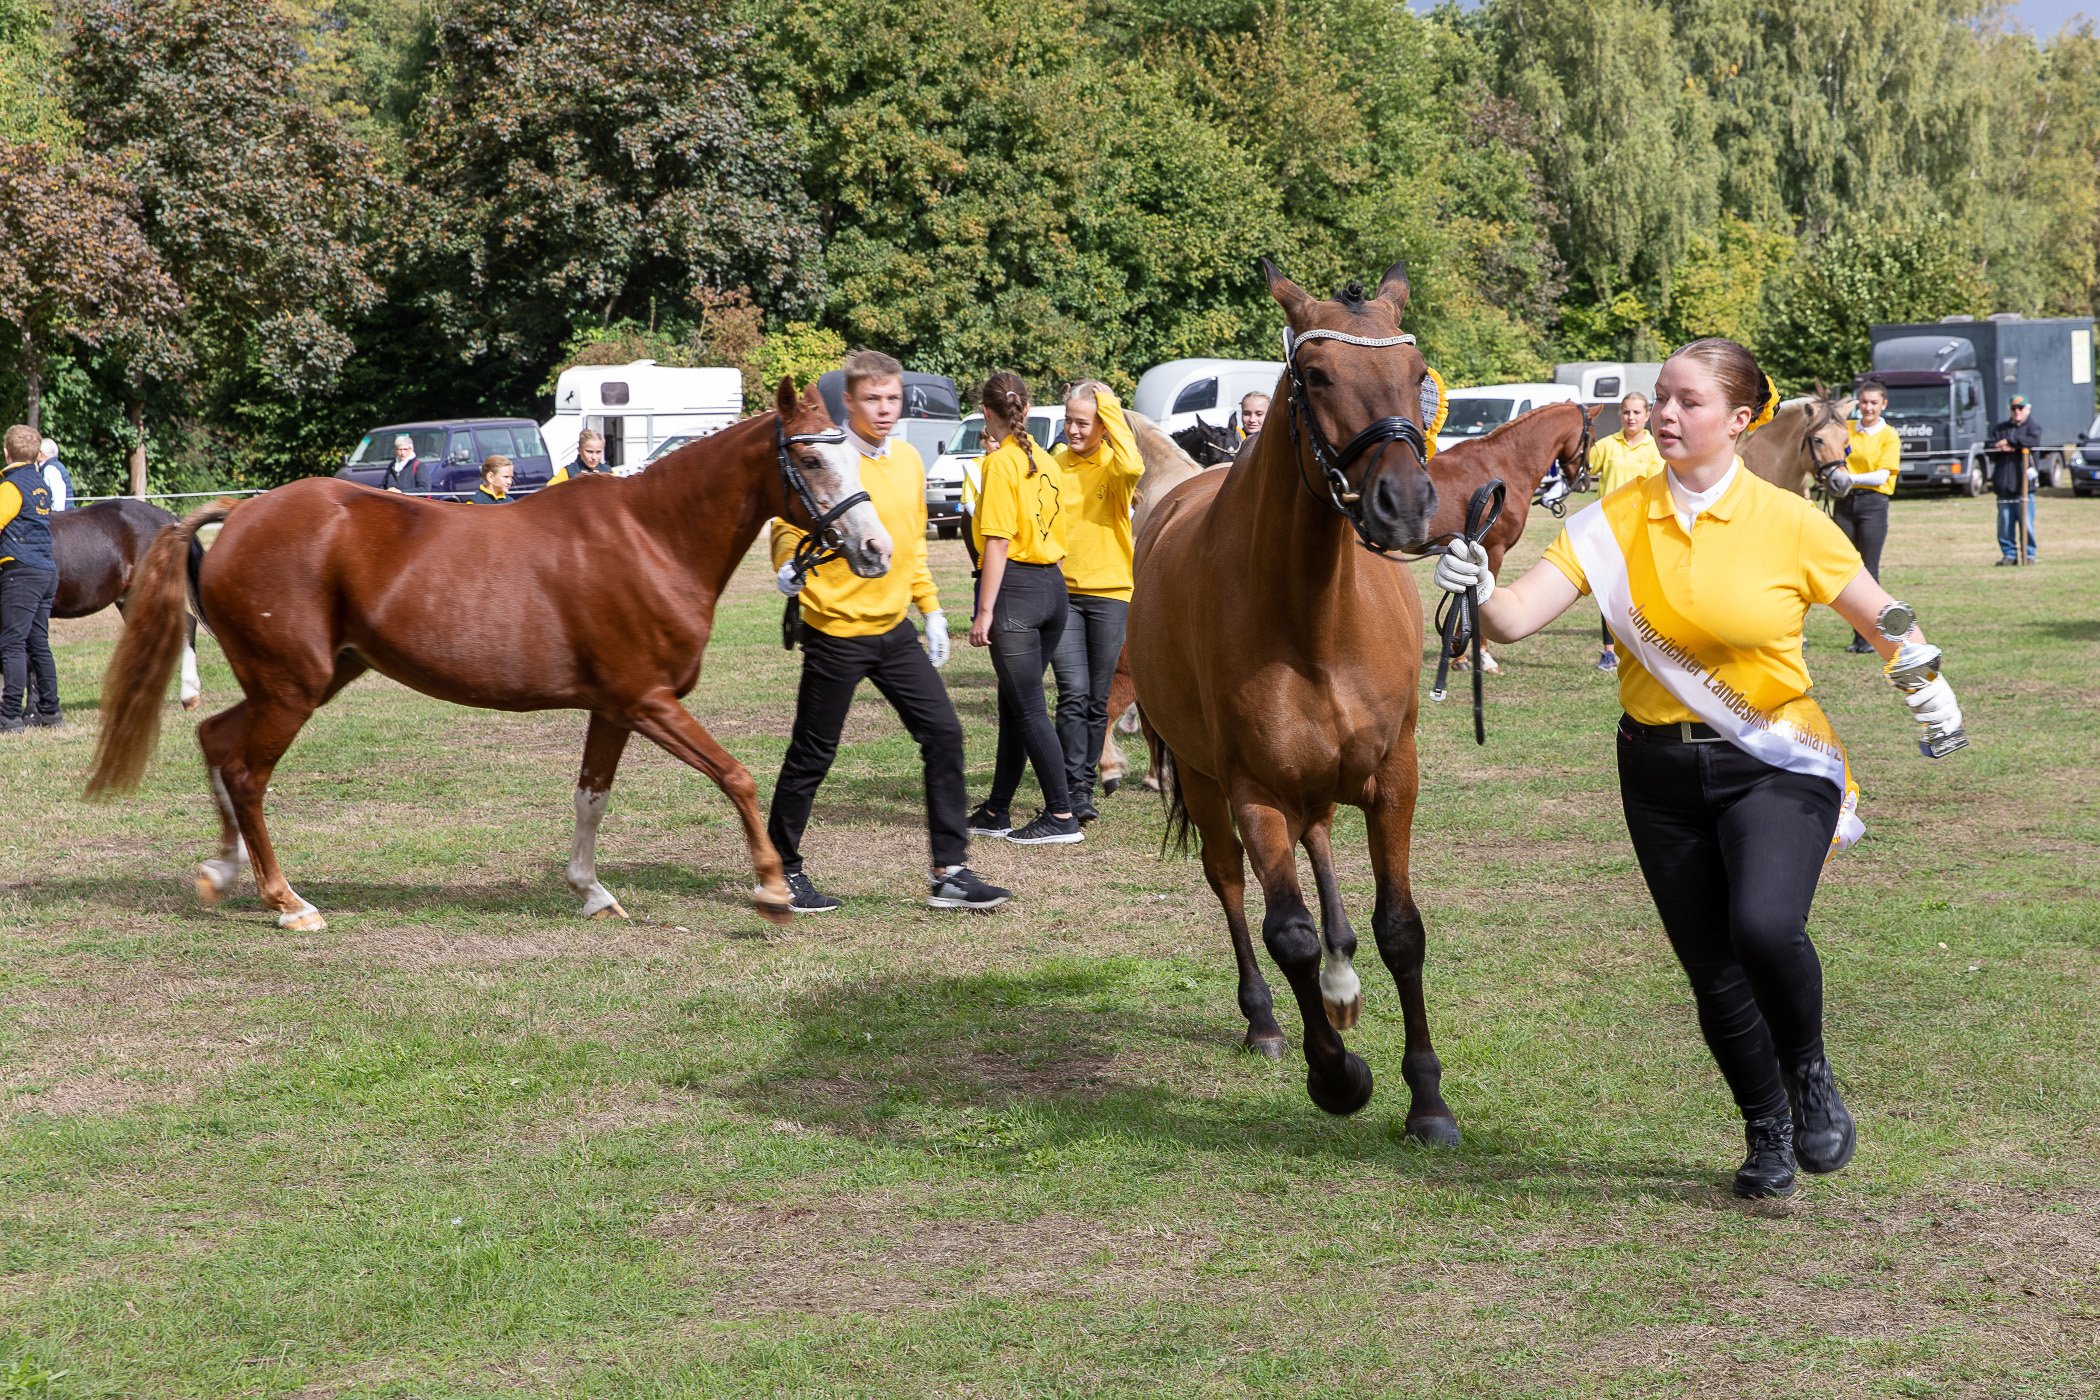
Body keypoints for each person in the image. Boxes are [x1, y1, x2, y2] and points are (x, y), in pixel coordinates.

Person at [1433, 337, 1964, 1200]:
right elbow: (1516, 620)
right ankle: (1767, 1129)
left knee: (1762, 928)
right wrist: (1474, 588)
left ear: (1740, 419)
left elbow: (1881, 613)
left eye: (1689, 402)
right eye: (1660, 398)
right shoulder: (1610, 519)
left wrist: (1925, 678)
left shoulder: (1791, 522)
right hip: (1657, 774)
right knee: (1710, 966)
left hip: (1774, 762)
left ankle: (1811, 1075)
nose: (1667, 415)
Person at [766, 349, 1008, 914]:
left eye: (892, 398)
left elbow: (914, 545)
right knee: (813, 753)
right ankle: (782, 867)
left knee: (944, 734)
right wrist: (786, 565)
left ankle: (950, 871)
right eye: (872, 399)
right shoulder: (831, 456)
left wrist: (932, 610)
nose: (884, 409)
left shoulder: (907, 462)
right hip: (835, 630)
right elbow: (788, 520)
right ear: (847, 402)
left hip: (893, 627)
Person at [965, 372, 1083, 846]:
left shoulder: (1000, 466)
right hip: (1054, 588)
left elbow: (997, 541)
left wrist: (984, 611)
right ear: (1027, 411)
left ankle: (1061, 814)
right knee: (1015, 704)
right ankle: (997, 809)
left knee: (1029, 706)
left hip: (1016, 591)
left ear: (987, 415)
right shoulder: (1046, 462)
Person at [1048, 381, 1142, 823]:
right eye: (1068, 420)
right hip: (1063, 594)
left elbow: (1133, 462)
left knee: (1096, 698)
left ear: (1103, 427)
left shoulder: (1115, 470)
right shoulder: (1053, 465)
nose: (1072, 429)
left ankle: (1082, 789)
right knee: (1072, 693)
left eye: (1082, 423)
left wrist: (1109, 404)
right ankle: (1068, 789)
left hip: (1109, 594)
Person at [1585, 392, 1666, 672]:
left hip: (1641, 530)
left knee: (1641, 593)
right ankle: (1609, 652)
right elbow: (1585, 466)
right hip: (1607, 529)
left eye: (1636, 412)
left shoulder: (1656, 449)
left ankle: (1643, 649)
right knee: (1609, 593)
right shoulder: (1607, 445)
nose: (1631, 417)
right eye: (1626, 412)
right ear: (1620, 415)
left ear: (1646, 415)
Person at [0, 424, 62, 732]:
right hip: (46, 571)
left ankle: (9, 716)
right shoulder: (40, 484)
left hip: (21, 573)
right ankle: (50, 711)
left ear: (6, 452)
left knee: (12, 644)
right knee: (39, 642)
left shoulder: (11, 487)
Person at [1835, 380, 1900, 650]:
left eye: (1874, 402)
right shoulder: (1847, 430)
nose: (1868, 407)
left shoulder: (1889, 435)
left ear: (1883, 404)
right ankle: (1857, 636)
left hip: (1873, 504)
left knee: (1869, 571)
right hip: (1845, 503)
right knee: (1844, 570)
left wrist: (1849, 478)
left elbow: (1882, 476)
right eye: (1864, 402)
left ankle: (1871, 636)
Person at [1989, 394, 2042, 565]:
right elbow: (1989, 447)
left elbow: (2032, 441)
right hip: (2004, 487)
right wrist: (2000, 446)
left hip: (2024, 489)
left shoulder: (2033, 427)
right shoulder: (2000, 428)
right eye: (2014, 408)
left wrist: (2010, 441)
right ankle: (2009, 556)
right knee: (2004, 526)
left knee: (2027, 525)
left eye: (2020, 408)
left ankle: (2029, 556)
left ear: (2028, 409)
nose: (2017, 411)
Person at [38, 437, 72, 512]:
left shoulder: (50, 469)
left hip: (61, 519)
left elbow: (58, 504)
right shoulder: (56, 465)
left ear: (41, 454)